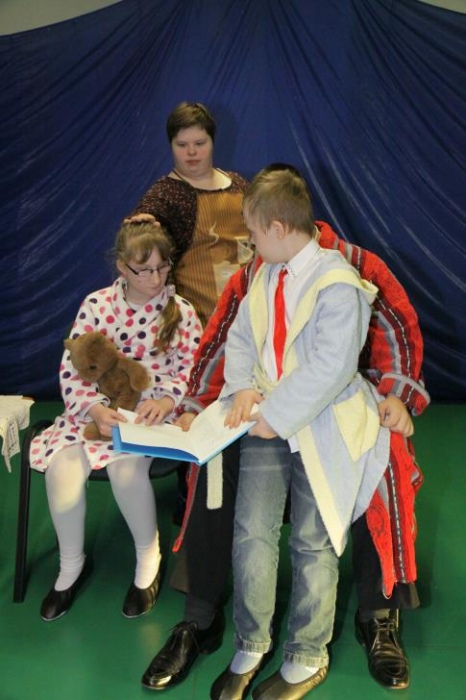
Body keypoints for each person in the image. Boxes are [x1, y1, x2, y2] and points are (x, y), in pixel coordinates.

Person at [141, 165, 429, 692]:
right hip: (266, 419)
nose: (248, 242)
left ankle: (314, 649)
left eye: (252, 232)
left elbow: (333, 366)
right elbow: (236, 337)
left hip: (325, 424)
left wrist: (278, 416)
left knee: (315, 541)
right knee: (249, 530)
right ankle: (247, 641)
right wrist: (241, 388)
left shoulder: (344, 278)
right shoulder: (262, 273)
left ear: (277, 227)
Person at [29, 221, 202, 622]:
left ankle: (148, 557)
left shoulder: (181, 311)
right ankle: (71, 565)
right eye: (145, 271)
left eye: (163, 268)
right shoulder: (96, 305)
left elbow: (192, 369)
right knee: (62, 470)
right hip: (93, 413)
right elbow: (72, 367)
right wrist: (92, 408)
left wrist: (166, 400)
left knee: (126, 472)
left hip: (151, 414)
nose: (156, 279)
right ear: (123, 267)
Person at [128, 100, 251, 522]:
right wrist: (142, 228)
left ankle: (245, 489)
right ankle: (194, 500)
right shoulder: (165, 195)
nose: (192, 152)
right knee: (197, 409)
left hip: (247, 315)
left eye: (200, 142)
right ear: (171, 146)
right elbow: (142, 246)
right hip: (196, 322)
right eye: (183, 145)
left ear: (213, 141)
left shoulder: (239, 185)